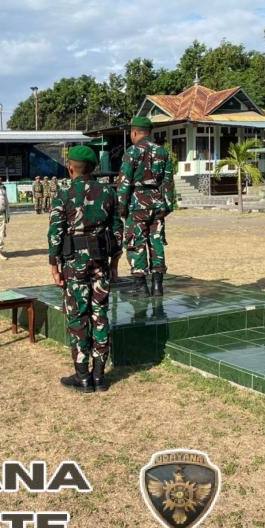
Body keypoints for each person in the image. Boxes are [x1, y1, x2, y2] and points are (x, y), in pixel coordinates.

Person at [48, 145, 122, 394]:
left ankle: (83, 378)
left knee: (78, 317)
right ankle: (99, 377)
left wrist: (53, 265)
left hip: (74, 264)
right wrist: (114, 264)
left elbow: (55, 233)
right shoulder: (108, 192)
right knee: (99, 316)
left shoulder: (63, 192)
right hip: (101, 263)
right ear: (94, 168)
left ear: (70, 167)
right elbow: (116, 231)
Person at [117, 116, 174, 297]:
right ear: (149, 133)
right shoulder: (162, 152)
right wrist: (167, 205)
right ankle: (158, 285)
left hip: (137, 202)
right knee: (156, 241)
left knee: (136, 242)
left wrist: (122, 207)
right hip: (158, 202)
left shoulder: (132, 151)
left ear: (134, 133)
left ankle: (140, 285)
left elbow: (124, 182)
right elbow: (168, 181)